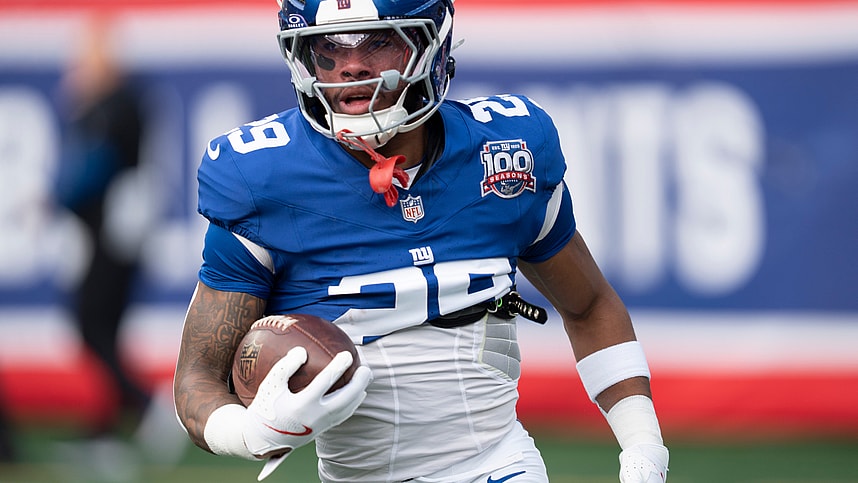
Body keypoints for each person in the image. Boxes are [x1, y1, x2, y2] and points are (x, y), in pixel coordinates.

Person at [173, 0, 670, 482]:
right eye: (329, 47)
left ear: (432, 46)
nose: (351, 66)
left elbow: (589, 306)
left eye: (379, 43)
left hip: (498, 465)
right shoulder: (262, 178)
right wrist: (250, 433)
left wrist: (643, 445)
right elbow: (197, 377)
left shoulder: (505, 150)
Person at [55, 15, 152, 435]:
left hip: (112, 229)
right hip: (108, 228)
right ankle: (110, 418)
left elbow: (93, 169)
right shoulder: (118, 103)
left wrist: (58, 199)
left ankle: (141, 403)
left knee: (94, 321)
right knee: (101, 325)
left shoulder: (114, 105)